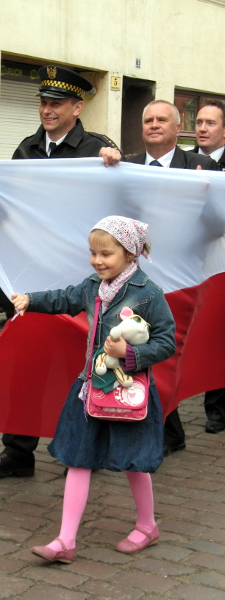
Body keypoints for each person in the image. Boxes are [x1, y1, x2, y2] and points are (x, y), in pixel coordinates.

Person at [0, 65, 122, 477]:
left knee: (92, 365)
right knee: (27, 364)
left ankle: (97, 448)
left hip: (82, 279)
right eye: (43, 102)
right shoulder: (27, 148)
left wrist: (117, 164)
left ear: (78, 106)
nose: (47, 110)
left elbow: (120, 209)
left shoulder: (98, 150)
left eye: (56, 104)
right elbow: (8, 203)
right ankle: (18, 452)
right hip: (35, 280)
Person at [9, 216, 176, 562]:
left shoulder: (149, 293)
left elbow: (167, 342)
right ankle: (65, 541)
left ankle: (147, 525)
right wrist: (30, 299)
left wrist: (130, 354)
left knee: (135, 463)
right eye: (92, 253)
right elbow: (63, 298)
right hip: (90, 387)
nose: (97, 261)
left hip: (129, 392)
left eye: (106, 254)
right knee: (78, 459)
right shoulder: (92, 286)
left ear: (130, 254)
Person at [127, 99, 218, 456]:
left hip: (185, 278)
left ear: (177, 127)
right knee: (141, 346)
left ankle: (166, 427)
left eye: (161, 119)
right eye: (147, 119)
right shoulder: (128, 166)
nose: (153, 125)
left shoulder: (202, 166)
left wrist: (203, 194)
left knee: (170, 350)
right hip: (140, 275)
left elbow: (217, 224)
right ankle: (164, 428)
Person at [192, 100, 225, 432]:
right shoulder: (186, 162)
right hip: (199, 261)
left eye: (210, 123)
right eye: (199, 122)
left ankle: (218, 408)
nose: (202, 128)